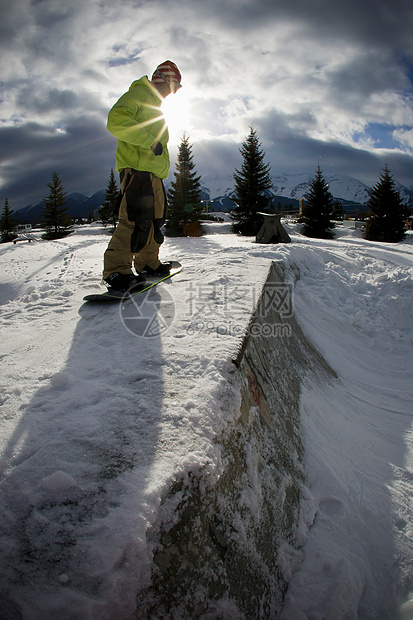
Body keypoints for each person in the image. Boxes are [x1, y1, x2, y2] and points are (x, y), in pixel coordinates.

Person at [102, 60, 182, 291]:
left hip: (153, 174)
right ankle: (116, 271)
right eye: (174, 85)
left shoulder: (156, 104)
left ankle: (148, 263)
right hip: (136, 172)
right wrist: (149, 141)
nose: (173, 92)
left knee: (155, 221)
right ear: (164, 80)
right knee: (134, 221)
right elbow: (115, 120)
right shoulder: (138, 93)